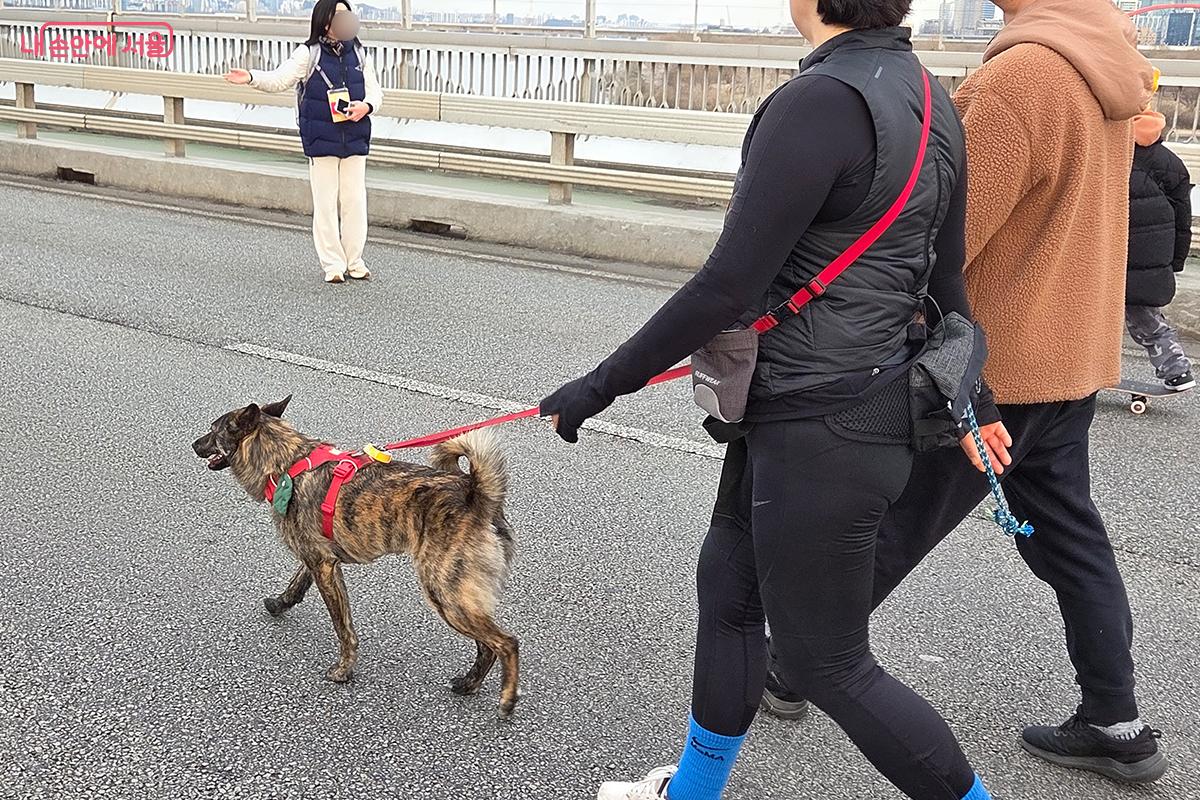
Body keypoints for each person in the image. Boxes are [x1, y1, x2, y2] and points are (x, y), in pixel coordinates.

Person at [542, 2, 998, 798]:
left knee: (829, 663)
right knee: (729, 590)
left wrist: (599, 385)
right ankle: (693, 790)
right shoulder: (930, 95)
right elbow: (945, 276)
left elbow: (727, 285)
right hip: (832, 407)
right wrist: (977, 400)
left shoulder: (819, 102)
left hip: (823, 419)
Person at [760, 0, 1170, 786]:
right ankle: (1116, 720)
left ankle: (792, 664)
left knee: (894, 520)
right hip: (1070, 352)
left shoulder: (1021, 78)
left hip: (989, 365)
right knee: (1073, 540)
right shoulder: (1109, 68)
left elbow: (936, 234)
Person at [224, 0, 383, 284]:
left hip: (355, 136)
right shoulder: (308, 53)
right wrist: (251, 77)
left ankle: (355, 260)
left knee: (355, 201)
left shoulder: (359, 53)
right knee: (325, 203)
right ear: (325, 21)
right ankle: (333, 264)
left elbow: (375, 93)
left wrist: (366, 107)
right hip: (320, 137)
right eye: (339, 16)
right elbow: (279, 80)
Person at [1126, 108, 1194, 391]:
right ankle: (1177, 369)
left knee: (1083, 313)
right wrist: (1176, 260)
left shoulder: (1110, 152)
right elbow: (1183, 217)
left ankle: (1078, 367)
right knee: (1144, 316)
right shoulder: (1170, 161)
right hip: (1152, 255)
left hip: (1111, 251)